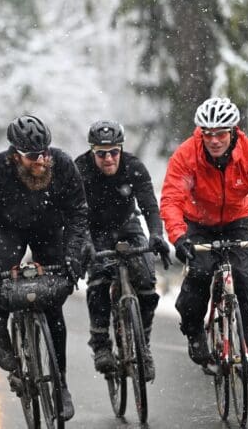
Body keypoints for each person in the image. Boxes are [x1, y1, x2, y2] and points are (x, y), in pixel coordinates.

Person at [160, 97, 248, 383]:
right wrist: (179, 237)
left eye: (221, 134)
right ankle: (194, 330)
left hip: (236, 222)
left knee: (243, 278)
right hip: (197, 224)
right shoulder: (186, 155)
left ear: (233, 132)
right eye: (208, 134)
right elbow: (171, 199)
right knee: (200, 273)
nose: (214, 140)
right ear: (201, 134)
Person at [0, 115, 89, 421]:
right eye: (33, 156)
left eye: (45, 153)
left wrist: (73, 258)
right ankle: (1, 327)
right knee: (1, 279)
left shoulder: (62, 165)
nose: (42, 160)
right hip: (8, 229)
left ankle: (61, 384)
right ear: (15, 156)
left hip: (49, 229)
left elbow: (79, 215)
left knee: (53, 308)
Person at [74, 120, 169, 381]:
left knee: (148, 284)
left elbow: (150, 205)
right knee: (99, 280)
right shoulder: (79, 170)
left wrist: (156, 235)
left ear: (121, 150)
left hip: (127, 224)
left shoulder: (134, 167)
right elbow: (72, 214)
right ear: (92, 152)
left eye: (114, 152)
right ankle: (101, 343)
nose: (108, 159)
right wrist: (84, 243)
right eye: (101, 153)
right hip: (92, 229)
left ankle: (143, 346)